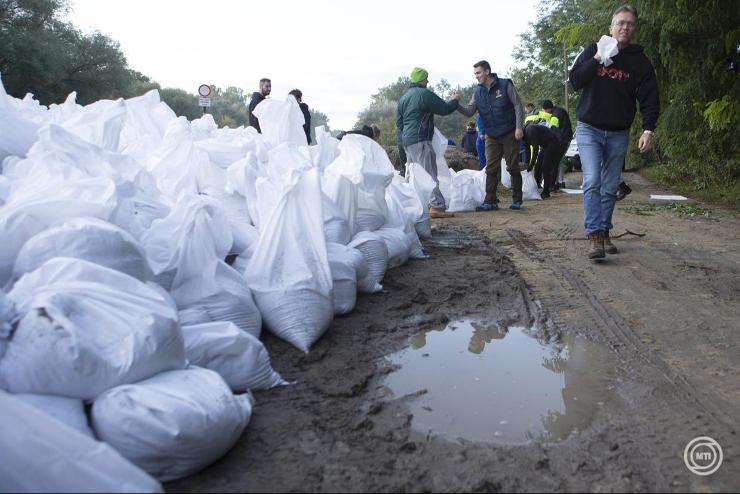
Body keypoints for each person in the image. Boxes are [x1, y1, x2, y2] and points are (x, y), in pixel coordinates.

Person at [569, 4, 659, 260]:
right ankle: (595, 235)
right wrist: (597, 57)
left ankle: (604, 229)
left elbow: (650, 97)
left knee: (609, 187)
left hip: (619, 132)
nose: (625, 27)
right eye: (620, 23)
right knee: (593, 180)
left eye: (630, 24)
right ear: (611, 27)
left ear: (634, 29)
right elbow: (575, 81)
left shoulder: (639, 61)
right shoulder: (591, 49)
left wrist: (648, 129)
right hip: (589, 130)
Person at [457, 60, 525, 211]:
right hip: (491, 135)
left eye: (479, 73)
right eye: (475, 74)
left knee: (512, 166)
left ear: (487, 72)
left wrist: (519, 127)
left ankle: (517, 199)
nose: (476, 76)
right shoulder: (478, 92)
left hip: (509, 132)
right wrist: (456, 104)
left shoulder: (505, 84)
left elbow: (518, 105)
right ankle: (490, 201)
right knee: (491, 168)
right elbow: (469, 111)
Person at [396, 67, 460, 219]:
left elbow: (399, 123)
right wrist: (455, 101)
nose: (428, 81)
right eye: (426, 79)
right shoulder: (424, 94)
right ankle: (436, 207)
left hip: (406, 141)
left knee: (412, 174)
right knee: (428, 173)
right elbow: (444, 109)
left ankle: (412, 204)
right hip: (421, 139)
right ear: (421, 80)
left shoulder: (404, 98)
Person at [541, 99, 573, 191]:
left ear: (546, 109)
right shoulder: (560, 110)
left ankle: (553, 185)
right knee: (559, 162)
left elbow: (553, 130)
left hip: (562, 140)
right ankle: (559, 182)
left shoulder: (555, 116)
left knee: (555, 162)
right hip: (566, 138)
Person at [522, 121, 560, 198]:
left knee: (545, 167)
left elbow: (535, 150)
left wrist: (531, 164)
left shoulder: (530, 131)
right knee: (538, 166)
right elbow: (527, 151)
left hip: (552, 142)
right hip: (544, 145)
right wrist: (527, 165)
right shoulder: (523, 136)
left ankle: (546, 191)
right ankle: (536, 188)